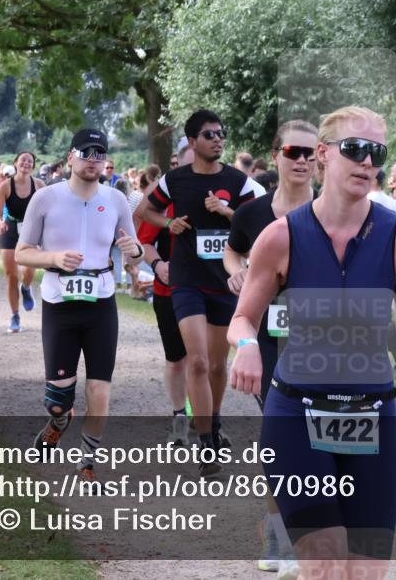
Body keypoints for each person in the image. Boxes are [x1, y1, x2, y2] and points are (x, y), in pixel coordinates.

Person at [228, 106, 396, 579]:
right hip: (296, 416)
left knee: (365, 572)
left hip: (373, 417)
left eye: (376, 152)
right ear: (324, 154)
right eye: (355, 149)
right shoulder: (281, 237)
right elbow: (242, 319)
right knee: (323, 566)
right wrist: (249, 346)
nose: (367, 162)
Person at [139, 109, 263, 477]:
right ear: (192, 142)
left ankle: (214, 419)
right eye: (209, 134)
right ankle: (207, 443)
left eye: (221, 133)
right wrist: (168, 222)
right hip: (186, 280)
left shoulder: (236, 180)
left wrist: (226, 212)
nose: (217, 139)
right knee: (196, 361)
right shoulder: (175, 180)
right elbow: (145, 209)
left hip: (224, 281)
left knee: (216, 365)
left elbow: (256, 224)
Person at [16, 128, 143, 481]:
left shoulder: (116, 200)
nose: (93, 160)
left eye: (99, 154)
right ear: (70, 157)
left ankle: (87, 461)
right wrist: (55, 257)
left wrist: (137, 254)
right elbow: (21, 252)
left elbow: (133, 250)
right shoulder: (46, 199)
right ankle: (59, 419)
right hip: (60, 303)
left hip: (101, 302)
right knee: (59, 398)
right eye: (86, 153)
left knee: (100, 387)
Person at [224, 119, 318, 576]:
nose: (301, 160)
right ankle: (279, 535)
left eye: (309, 152)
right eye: (292, 152)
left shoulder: (337, 212)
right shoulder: (251, 213)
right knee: (283, 440)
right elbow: (231, 249)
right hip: (270, 342)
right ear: (276, 155)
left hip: (327, 344)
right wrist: (236, 270)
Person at [138, 145, 195, 447]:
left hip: (207, 291)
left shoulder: (220, 200)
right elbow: (144, 243)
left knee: (207, 360)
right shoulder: (161, 203)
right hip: (168, 292)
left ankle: (207, 418)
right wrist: (159, 265)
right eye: (174, 164)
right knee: (177, 360)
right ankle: (179, 418)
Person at [0, 151, 44, 333]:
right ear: (15, 163)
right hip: (10, 228)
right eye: (23, 160)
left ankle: (27, 287)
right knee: (11, 275)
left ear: (33, 166)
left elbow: (47, 210)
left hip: (30, 230)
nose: (26, 163)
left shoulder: (39, 185)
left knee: (29, 271)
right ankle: (15, 315)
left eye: (30, 161)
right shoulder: (6, 186)